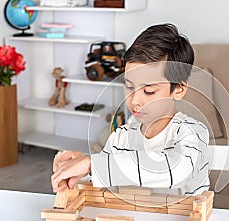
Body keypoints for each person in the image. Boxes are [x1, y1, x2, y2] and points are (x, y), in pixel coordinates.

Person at [51, 23, 210, 196]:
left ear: (178, 89)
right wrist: (78, 172)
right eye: (129, 86)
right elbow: (105, 181)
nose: (134, 100)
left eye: (148, 91)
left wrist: (91, 164)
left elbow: (174, 169)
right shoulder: (121, 137)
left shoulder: (194, 134)